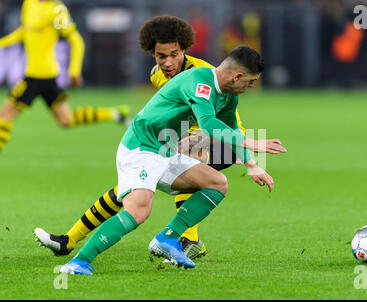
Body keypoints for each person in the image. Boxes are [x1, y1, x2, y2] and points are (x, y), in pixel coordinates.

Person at [34, 15, 252, 259]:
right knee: (131, 186)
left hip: (225, 141)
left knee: (173, 166)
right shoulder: (157, 75)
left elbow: (208, 122)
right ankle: (69, 240)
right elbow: (175, 115)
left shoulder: (201, 73)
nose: (168, 62)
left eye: (174, 54)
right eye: (162, 56)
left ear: (185, 50)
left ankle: (187, 240)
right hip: (188, 133)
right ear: (152, 53)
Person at [59, 45, 285, 275]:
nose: (251, 86)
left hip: (166, 150)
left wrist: (252, 164)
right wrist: (252, 143)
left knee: (217, 183)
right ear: (237, 76)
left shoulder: (228, 97)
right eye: (251, 81)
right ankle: (78, 262)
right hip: (142, 147)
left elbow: (231, 129)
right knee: (138, 211)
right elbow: (208, 124)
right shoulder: (200, 81)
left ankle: (166, 239)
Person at [0, 0, 130, 151]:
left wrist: (74, 71)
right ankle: (114, 114)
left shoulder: (57, 10)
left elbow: (76, 41)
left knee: (4, 116)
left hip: (37, 76)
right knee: (66, 120)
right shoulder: (29, 4)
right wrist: (2, 43)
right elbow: (24, 31)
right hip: (43, 76)